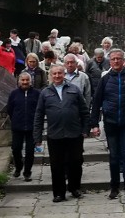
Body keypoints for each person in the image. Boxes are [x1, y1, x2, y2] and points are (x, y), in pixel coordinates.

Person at [90, 49, 125, 200]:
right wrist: (94, 123)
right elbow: (96, 102)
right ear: (110, 61)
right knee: (114, 156)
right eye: (113, 59)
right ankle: (114, 187)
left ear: (123, 60)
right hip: (111, 122)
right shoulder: (106, 79)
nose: (116, 61)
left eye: (119, 59)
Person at [34, 64, 90, 202]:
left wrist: (85, 129)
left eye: (60, 73)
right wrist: (37, 136)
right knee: (57, 165)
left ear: (64, 74)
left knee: (75, 163)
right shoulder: (45, 93)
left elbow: (84, 111)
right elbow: (38, 115)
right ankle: (59, 193)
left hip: (74, 133)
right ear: (50, 76)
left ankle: (74, 188)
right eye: (54, 74)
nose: (57, 76)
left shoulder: (74, 89)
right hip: (55, 134)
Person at [4, 71, 40, 182]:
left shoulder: (36, 94)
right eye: (23, 80)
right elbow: (10, 109)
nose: (25, 82)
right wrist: (15, 118)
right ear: (19, 81)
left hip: (31, 127)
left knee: (30, 151)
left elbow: (40, 109)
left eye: (27, 80)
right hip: (17, 127)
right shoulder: (14, 94)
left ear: (31, 81)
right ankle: (18, 167)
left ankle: (27, 172)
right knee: (16, 148)